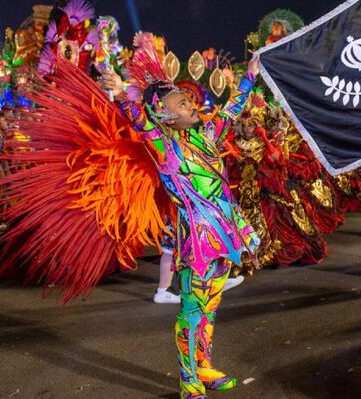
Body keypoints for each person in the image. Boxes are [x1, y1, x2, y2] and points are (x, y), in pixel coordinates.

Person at [101, 46, 260, 399]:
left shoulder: (207, 137)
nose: (191, 104)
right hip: (196, 243)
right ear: (165, 116)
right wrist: (115, 90)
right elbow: (136, 118)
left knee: (212, 307)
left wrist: (250, 75)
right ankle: (188, 378)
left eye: (189, 100)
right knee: (191, 310)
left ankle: (204, 366)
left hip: (224, 235)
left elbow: (232, 110)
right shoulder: (163, 145)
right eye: (182, 104)